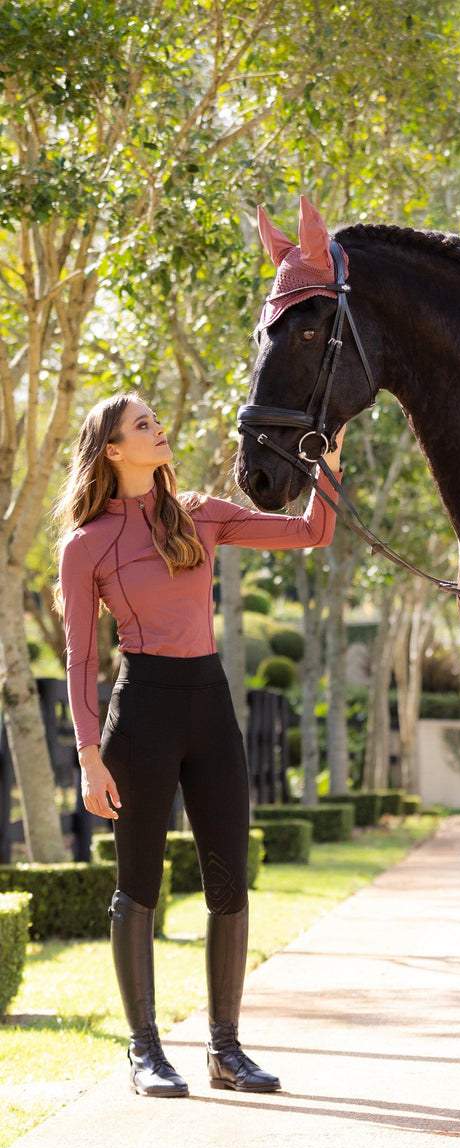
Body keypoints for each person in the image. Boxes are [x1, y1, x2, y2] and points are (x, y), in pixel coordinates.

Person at [55, 392, 342, 1097]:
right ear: (113, 450)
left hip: (210, 708)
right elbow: (81, 660)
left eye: (157, 419)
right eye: (143, 425)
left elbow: (311, 532)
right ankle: (145, 1051)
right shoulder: (86, 544)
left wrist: (329, 465)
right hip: (142, 714)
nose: (159, 429)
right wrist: (88, 756)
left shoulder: (201, 514)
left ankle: (225, 1050)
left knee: (228, 881)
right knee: (139, 886)